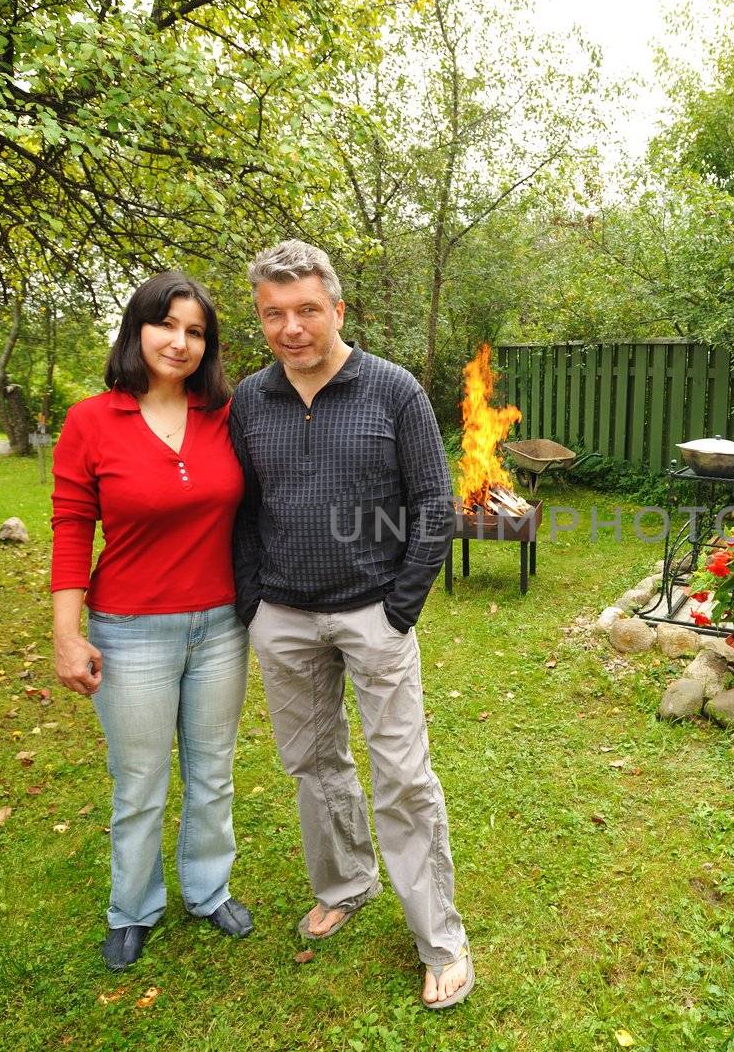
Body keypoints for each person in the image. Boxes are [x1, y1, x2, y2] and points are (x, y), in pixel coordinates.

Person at [230, 239, 473, 1008]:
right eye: (275, 313)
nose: (291, 327)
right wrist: (253, 604)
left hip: (373, 615)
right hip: (286, 618)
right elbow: (239, 510)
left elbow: (436, 504)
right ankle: (345, 881)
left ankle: (441, 939)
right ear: (261, 320)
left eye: (306, 309)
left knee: (402, 776)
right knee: (313, 764)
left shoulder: (392, 390)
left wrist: (398, 607)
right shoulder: (248, 400)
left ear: (337, 308)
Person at [51, 271, 253, 971]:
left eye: (196, 331)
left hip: (223, 626)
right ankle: (132, 905)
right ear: (138, 329)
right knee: (138, 780)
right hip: (130, 629)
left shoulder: (226, 415)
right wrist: (66, 632)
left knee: (213, 770)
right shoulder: (91, 421)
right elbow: (73, 527)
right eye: (167, 324)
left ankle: (208, 888)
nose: (180, 341)